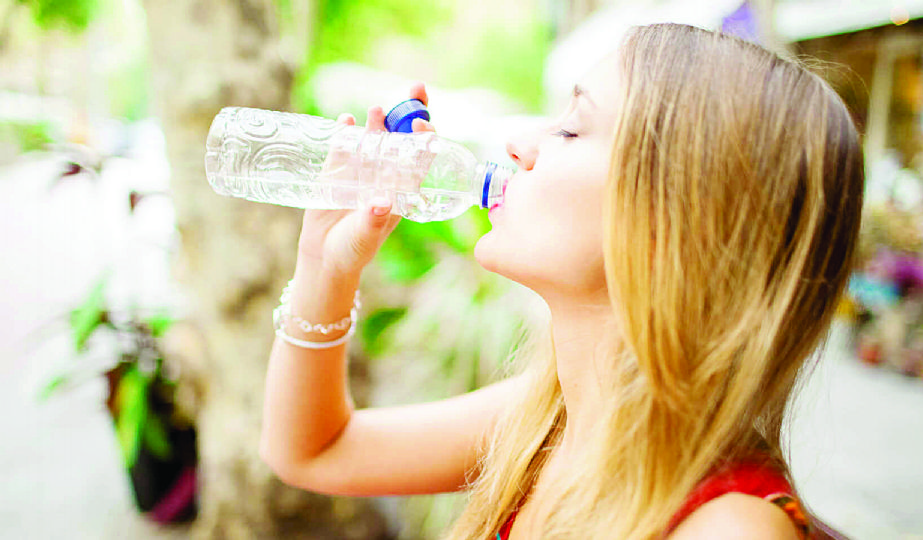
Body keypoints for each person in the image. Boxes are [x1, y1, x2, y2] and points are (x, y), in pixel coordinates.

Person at [259, 23, 862, 540]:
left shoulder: (726, 526)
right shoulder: (545, 421)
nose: (517, 144)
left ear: (673, 221)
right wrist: (325, 265)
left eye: (571, 129)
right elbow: (314, 451)